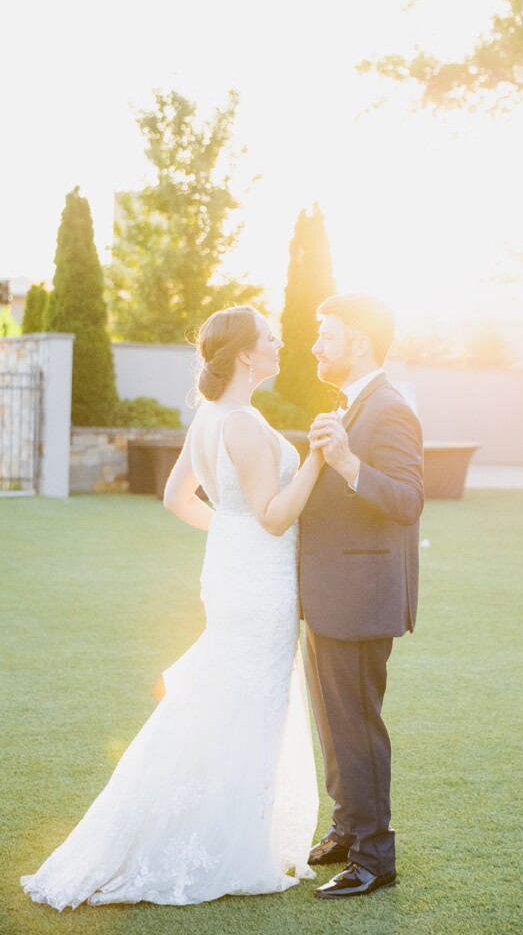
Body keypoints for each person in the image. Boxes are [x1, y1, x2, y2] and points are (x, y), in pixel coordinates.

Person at [21, 305, 321, 910]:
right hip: (258, 585)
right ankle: (231, 843)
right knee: (252, 702)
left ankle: (225, 827)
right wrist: (316, 457)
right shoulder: (240, 424)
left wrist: (227, 531)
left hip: (233, 572)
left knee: (226, 698)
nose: (279, 344)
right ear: (243, 354)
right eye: (270, 338)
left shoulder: (208, 418)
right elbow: (272, 515)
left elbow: (176, 497)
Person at [302, 293, 424, 899]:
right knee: (333, 722)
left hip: (361, 599)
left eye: (327, 335)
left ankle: (377, 857)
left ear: (359, 342)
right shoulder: (352, 404)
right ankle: (349, 829)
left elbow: (407, 499)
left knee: (357, 727)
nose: (317, 346)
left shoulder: (391, 409)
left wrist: (349, 464)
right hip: (331, 596)